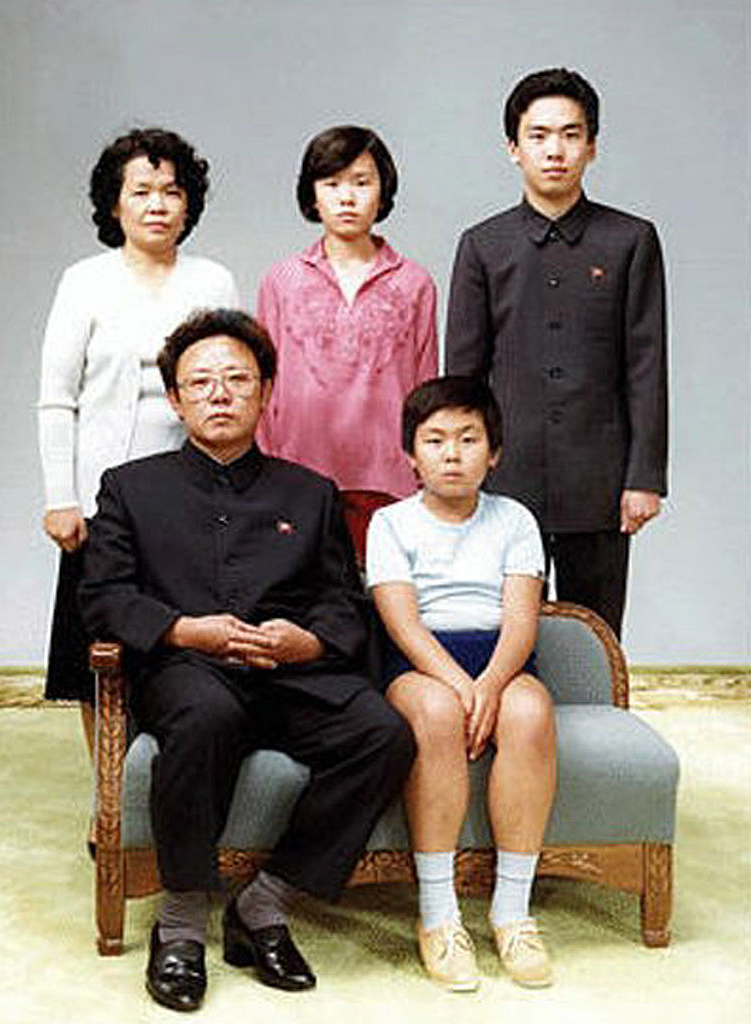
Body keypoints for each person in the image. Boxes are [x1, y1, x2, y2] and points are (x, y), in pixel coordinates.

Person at [78, 308, 415, 1012]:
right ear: (176, 400)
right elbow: (104, 598)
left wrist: (309, 642)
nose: (220, 394)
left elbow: (341, 600)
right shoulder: (129, 487)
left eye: (237, 379)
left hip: (290, 670)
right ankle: (179, 925)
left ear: (266, 393)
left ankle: (265, 902)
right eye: (200, 382)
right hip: (186, 669)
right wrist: (184, 631)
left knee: (381, 734)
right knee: (205, 714)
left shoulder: (309, 491)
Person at [37, 128, 238, 811]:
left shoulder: (213, 281)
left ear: (189, 204)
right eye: (141, 191)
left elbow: (234, 386)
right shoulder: (84, 282)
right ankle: (114, 803)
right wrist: (60, 497)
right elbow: (57, 398)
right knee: (96, 656)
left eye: (171, 192)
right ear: (114, 203)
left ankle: (183, 793)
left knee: (185, 648)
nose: (157, 205)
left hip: (195, 499)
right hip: (102, 503)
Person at [445, 68, 668, 637]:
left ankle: (597, 705)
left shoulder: (630, 240)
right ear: (512, 148)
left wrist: (644, 476)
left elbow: (646, 366)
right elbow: (463, 378)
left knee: (596, 635)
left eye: (571, 135)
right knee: (502, 631)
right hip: (504, 479)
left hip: (600, 479)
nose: (555, 151)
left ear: (592, 147)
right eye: (539, 135)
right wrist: (462, 470)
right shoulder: (483, 245)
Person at [366, 376, 556, 991]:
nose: (452, 454)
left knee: (529, 713)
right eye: (435, 440)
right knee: (438, 714)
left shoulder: (515, 520)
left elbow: (521, 621)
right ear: (411, 454)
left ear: (494, 453)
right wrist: (459, 685)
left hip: (500, 658)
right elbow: (402, 624)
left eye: (469, 439)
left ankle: (512, 913)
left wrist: (492, 684)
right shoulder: (390, 523)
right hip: (421, 662)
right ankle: (440, 916)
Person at [256, 124, 438, 496]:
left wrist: (423, 471)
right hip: (296, 475)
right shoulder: (281, 280)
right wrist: (267, 469)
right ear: (312, 195)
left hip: (391, 480)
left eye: (361, 182)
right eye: (332, 184)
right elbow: (263, 386)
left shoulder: (414, 283)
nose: (347, 198)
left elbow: (426, 388)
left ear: (383, 192)